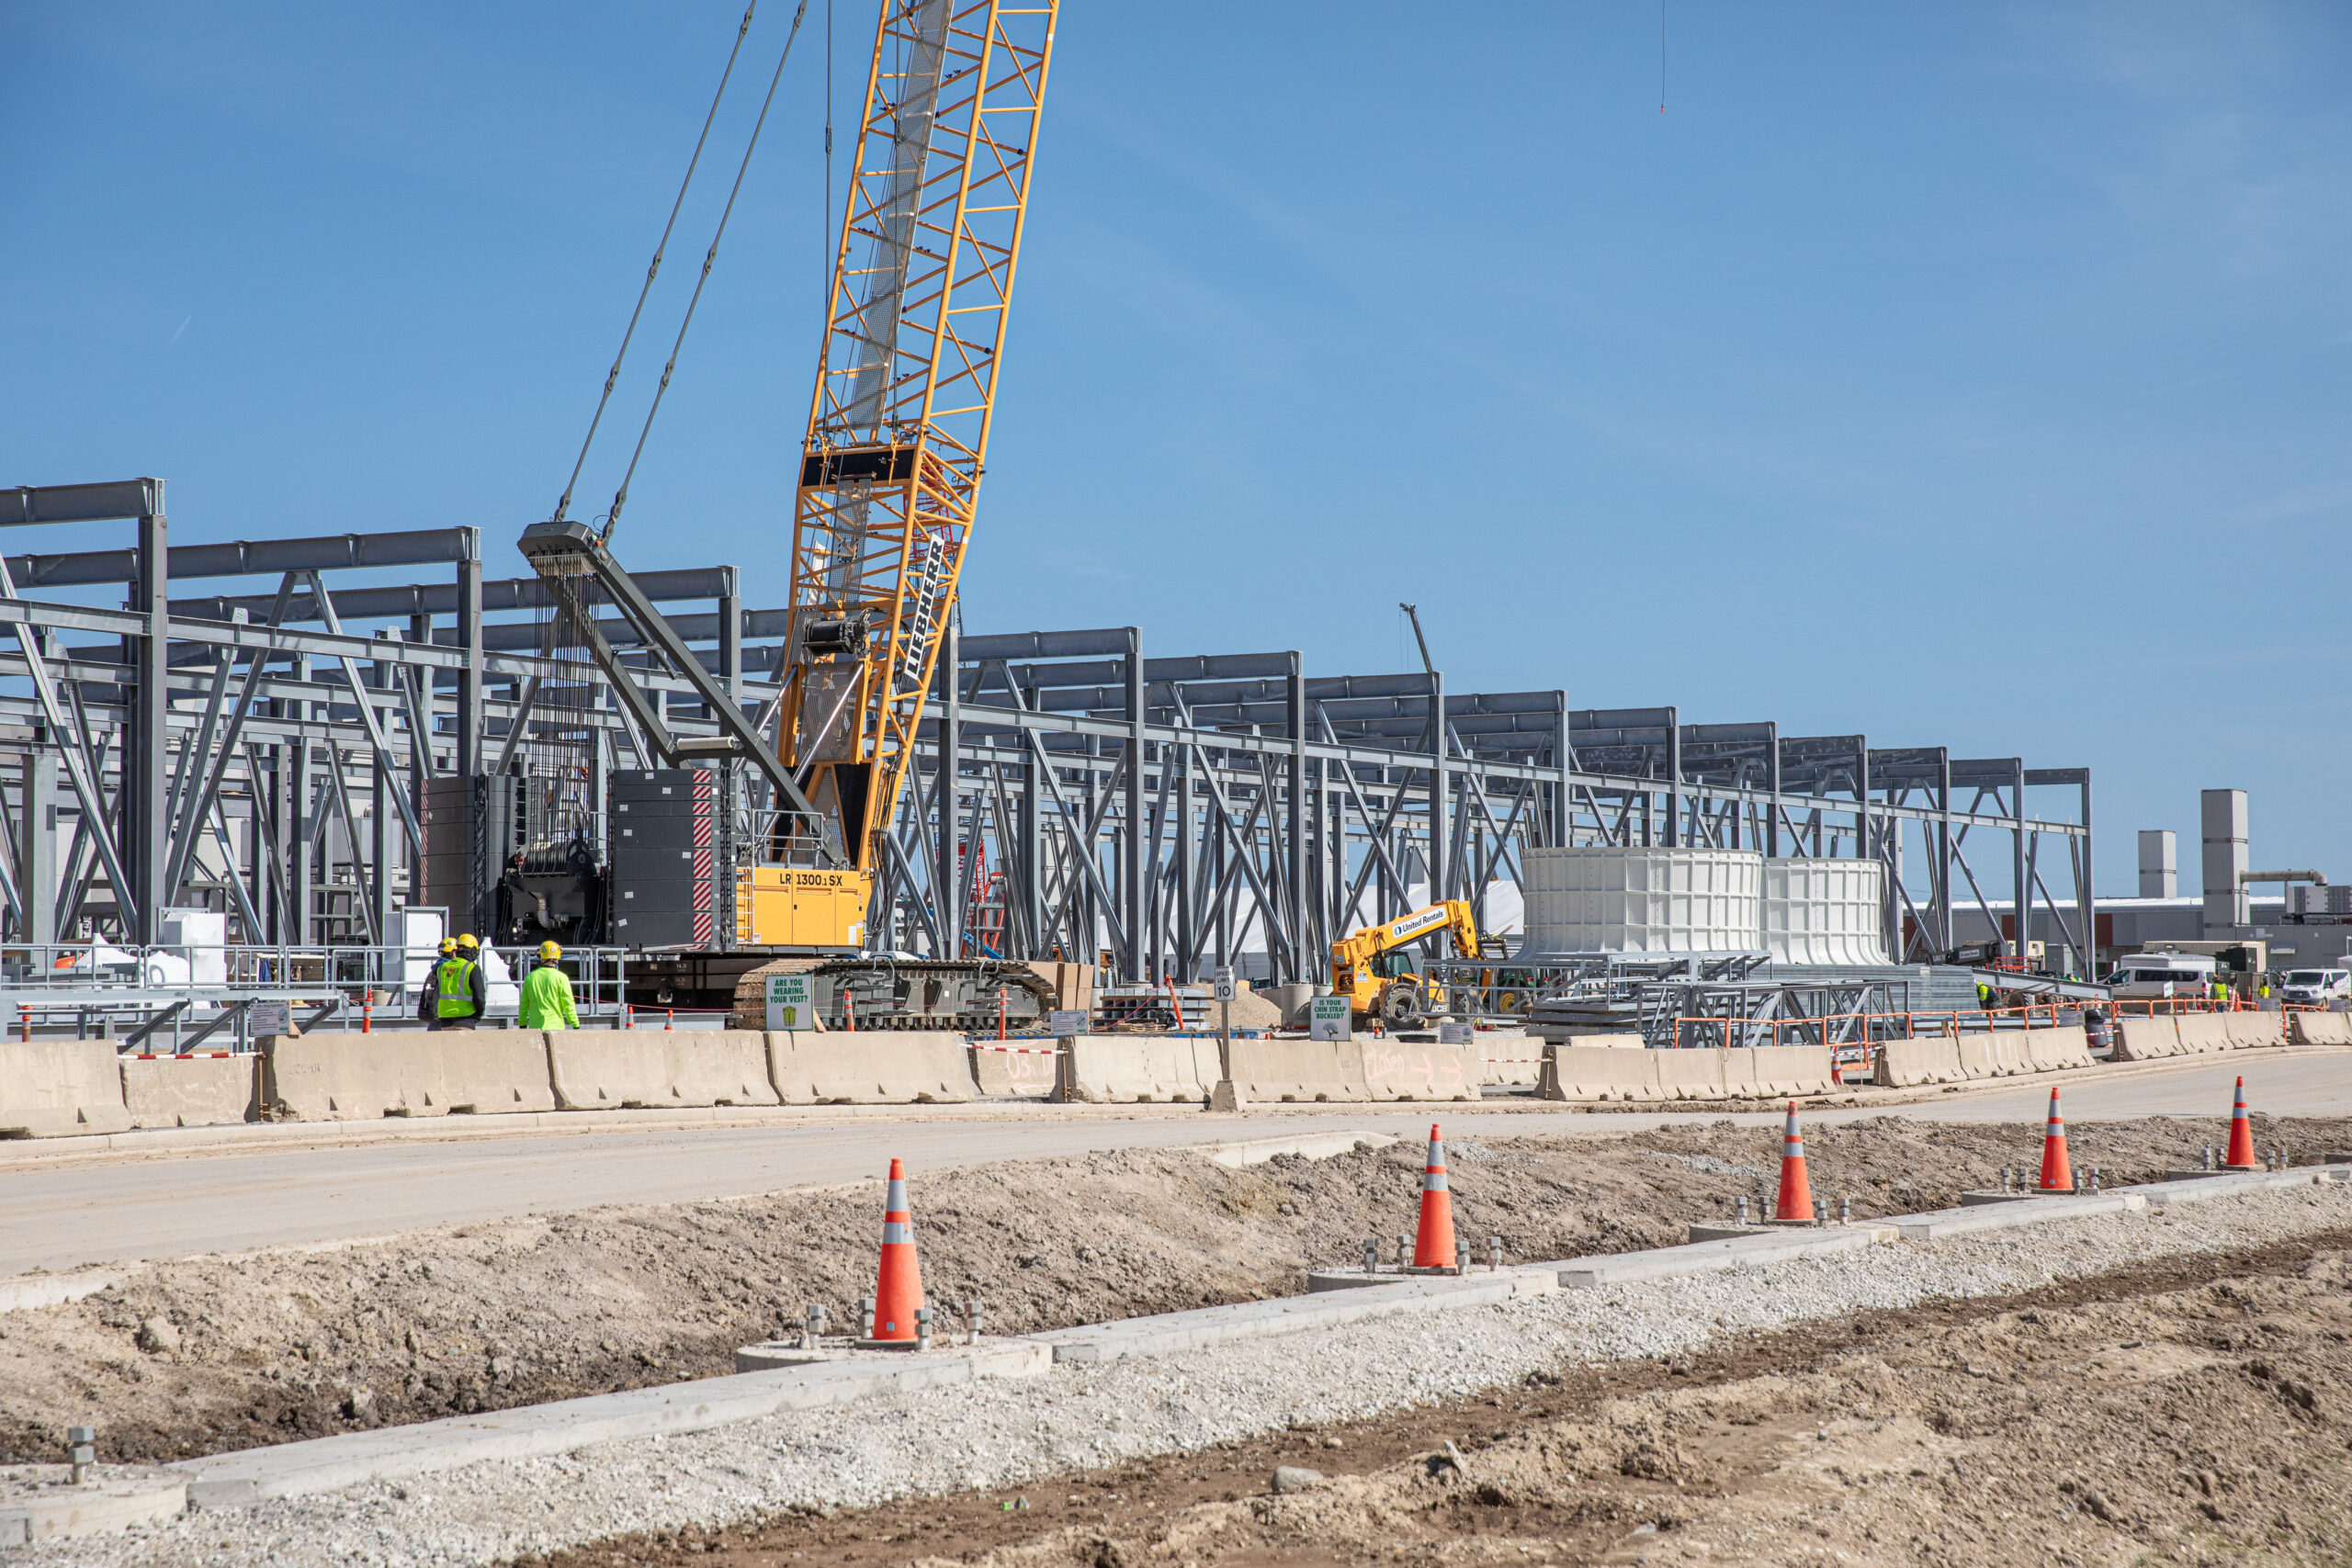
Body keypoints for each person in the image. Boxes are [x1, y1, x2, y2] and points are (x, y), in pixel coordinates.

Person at [420, 933, 487, 1030]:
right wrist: (477, 1015)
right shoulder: (472, 968)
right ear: (472, 951)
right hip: (465, 1019)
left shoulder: (441, 968)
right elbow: (479, 997)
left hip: (444, 1019)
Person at [519, 940, 579, 1030]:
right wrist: (575, 1024)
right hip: (556, 1027)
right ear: (556, 958)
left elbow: (524, 1003)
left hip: (535, 1027)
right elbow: (568, 1003)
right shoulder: (561, 978)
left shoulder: (530, 978)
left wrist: (522, 1023)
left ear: (541, 956)